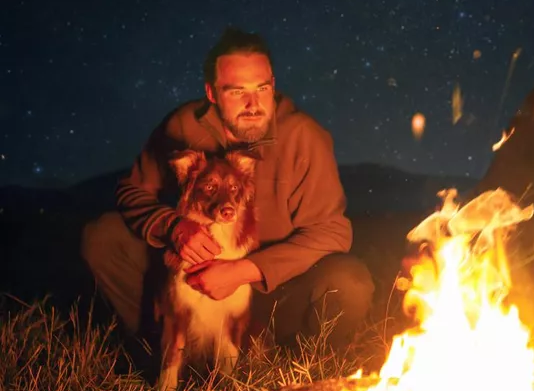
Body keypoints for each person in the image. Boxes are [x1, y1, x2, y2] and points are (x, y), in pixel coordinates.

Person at [81, 27, 375, 362]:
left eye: (262, 89)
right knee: (103, 236)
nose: (254, 104)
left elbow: (333, 233)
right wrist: (173, 227)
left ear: (273, 85)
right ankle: (166, 346)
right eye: (237, 92)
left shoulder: (304, 137)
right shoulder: (182, 126)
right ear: (212, 92)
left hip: (270, 290)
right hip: (191, 278)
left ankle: (301, 365)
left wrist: (243, 271)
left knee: (349, 281)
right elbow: (132, 191)